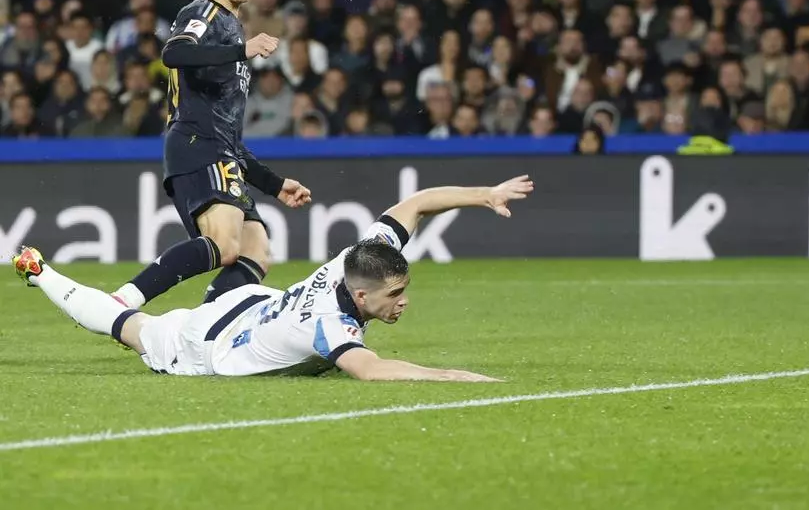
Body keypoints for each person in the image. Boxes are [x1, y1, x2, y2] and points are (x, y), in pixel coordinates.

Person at [12, 175, 536, 381]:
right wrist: (453, 376)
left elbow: (416, 204)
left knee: (257, 251)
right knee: (131, 328)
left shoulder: (359, 257)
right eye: (395, 294)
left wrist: (485, 195)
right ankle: (41, 272)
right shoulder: (329, 325)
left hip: (252, 306)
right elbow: (372, 370)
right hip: (208, 346)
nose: (403, 302)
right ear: (360, 295)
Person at [109, 0, 313, 313]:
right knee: (224, 243)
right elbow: (174, 53)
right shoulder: (204, 11)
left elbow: (228, 130)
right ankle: (123, 301)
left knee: (256, 251)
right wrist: (242, 51)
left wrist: (273, 184)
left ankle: (204, 327)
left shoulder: (231, 27)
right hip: (196, 145)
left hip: (218, 150)